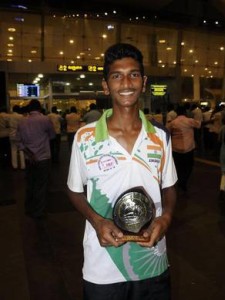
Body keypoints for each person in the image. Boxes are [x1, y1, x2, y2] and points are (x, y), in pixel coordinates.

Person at [67, 43, 177, 300]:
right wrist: (97, 221)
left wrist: (166, 218)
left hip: (152, 261)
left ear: (143, 81)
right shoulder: (85, 137)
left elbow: (169, 186)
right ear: (106, 85)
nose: (126, 82)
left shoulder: (160, 136)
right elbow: (74, 191)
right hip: (103, 265)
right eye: (117, 76)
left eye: (134, 74)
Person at [16, 99, 55, 219]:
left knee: (30, 183)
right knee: (41, 185)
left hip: (29, 158)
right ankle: (39, 211)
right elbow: (52, 135)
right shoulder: (45, 119)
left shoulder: (22, 122)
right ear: (39, 108)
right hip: (43, 157)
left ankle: (28, 208)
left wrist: (29, 152)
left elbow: (19, 141)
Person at [167, 104, 201, 192]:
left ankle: (180, 180)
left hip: (176, 149)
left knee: (178, 166)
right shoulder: (190, 121)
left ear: (176, 113)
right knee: (189, 166)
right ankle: (184, 181)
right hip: (188, 148)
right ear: (185, 112)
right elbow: (199, 125)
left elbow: (167, 131)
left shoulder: (173, 123)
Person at [8, 105, 25, 170]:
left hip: (11, 134)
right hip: (19, 135)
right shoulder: (21, 116)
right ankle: (22, 165)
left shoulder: (9, 116)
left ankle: (14, 166)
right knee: (21, 150)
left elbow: (7, 124)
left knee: (13, 150)